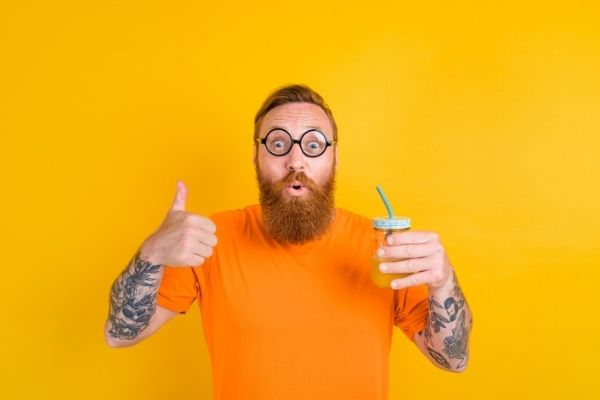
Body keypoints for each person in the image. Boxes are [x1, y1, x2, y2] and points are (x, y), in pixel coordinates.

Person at [104, 84, 473, 399]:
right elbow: (119, 335)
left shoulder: (383, 248)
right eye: (278, 143)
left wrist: (442, 280)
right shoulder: (209, 240)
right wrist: (151, 253)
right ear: (255, 156)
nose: (295, 160)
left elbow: (453, 359)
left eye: (313, 145)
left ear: (334, 158)